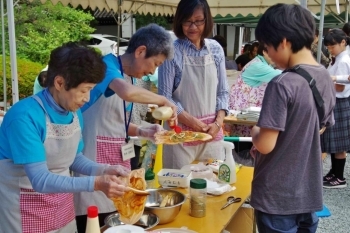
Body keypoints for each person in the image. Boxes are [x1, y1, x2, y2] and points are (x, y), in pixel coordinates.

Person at [0, 42, 131, 232]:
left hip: (61, 203)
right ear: (60, 83)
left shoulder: (73, 113)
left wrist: (105, 169)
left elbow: (74, 159)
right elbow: (40, 180)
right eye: (84, 90)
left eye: (91, 90)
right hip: (24, 207)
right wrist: (96, 183)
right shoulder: (24, 117)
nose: (87, 98)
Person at [74, 24, 176, 232]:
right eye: (154, 64)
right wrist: (163, 100)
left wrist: (142, 131)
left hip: (118, 162)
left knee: (121, 219)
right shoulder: (106, 67)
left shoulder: (129, 77)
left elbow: (117, 121)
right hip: (92, 163)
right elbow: (126, 93)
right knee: (96, 223)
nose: (152, 71)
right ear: (140, 51)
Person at [251, 4, 336, 232]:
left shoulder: (281, 84)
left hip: (277, 198)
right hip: (308, 195)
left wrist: (255, 131)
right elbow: (321, 128)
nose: (267, 55)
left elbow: (266, 145)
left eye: (268, 47)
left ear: (284, 41)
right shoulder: (326, 77)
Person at [158, 0, 229, 169]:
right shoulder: (171, 53)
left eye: (198, 21)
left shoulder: (216, 49)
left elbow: (223, 92)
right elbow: (165, 98)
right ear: (179, 21)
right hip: (180, 136)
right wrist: (195, 124)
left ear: (207, 20)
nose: (193, 27)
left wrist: (217, 123)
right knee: (180, 189)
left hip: (212, 135)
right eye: (187, 21)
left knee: (213, 188)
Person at [225, 43, 281, 158]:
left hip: (245, 116)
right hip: (244, 117)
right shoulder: (258, 66)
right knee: (245, 151)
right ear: (265, 52)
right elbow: (284, 77)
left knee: (244, 149)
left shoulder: (259, 63)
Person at [321, 28, 350, 189]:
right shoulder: (339, 58)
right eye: (329, 47)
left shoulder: (344, 60)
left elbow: (340, 87)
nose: (331, 50)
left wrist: (324, 85)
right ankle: (334, 172)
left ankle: (339, 177)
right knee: (334, 142)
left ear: (343, 42)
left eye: (333, 46)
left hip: (339, 102)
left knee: (339, 144)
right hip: (336, 102)